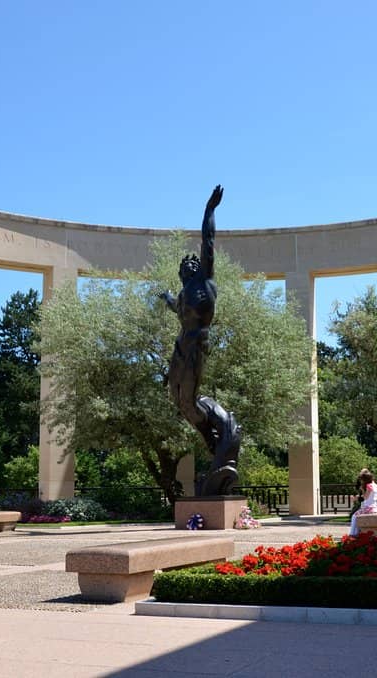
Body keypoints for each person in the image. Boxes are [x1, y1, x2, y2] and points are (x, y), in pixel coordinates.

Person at [160, 185, 240, 496]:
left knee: (191, 398)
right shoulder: (183, 294)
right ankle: (211, 437)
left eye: (189, 267)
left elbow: (208, 242)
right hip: (181, 344)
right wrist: (168, 298)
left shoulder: (204, 281)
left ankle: (215, 435)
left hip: (196, 345)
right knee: (177, 399)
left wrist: (209, 210)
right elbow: (178, 308)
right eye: (183, 268)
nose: (186, 269)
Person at [348, 469, 377, 536]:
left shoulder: (369, 486)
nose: (360, 481)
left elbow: (366, 497)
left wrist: (359, 494)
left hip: (374, 507)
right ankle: (358, 532)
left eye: (361, 479)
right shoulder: (376, 485)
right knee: (359, 512)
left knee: (355, 516)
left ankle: (353, 533)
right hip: (376, 507)